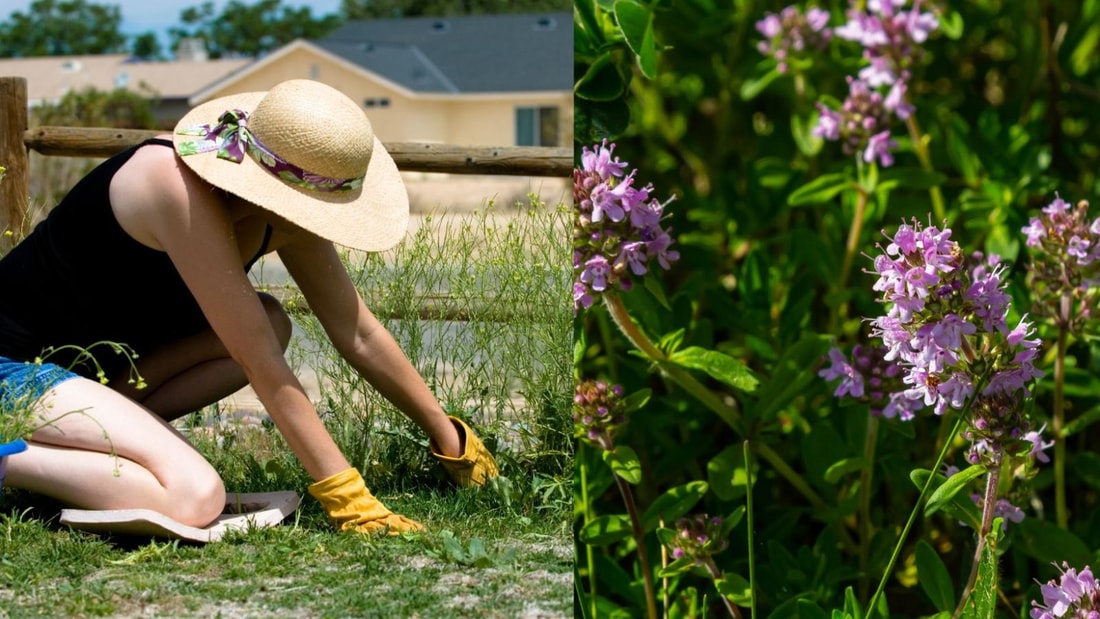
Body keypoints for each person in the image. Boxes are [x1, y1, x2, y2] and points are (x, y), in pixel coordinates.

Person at [0, 79, 498, 534]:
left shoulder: (283, 209)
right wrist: (347, 499)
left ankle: (99, 447)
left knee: (273, 319)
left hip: (91, 376)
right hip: (13, 369)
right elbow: (256, 357)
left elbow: (357, 331)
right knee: (194, 496)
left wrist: (450, 437)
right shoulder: (171, 184)